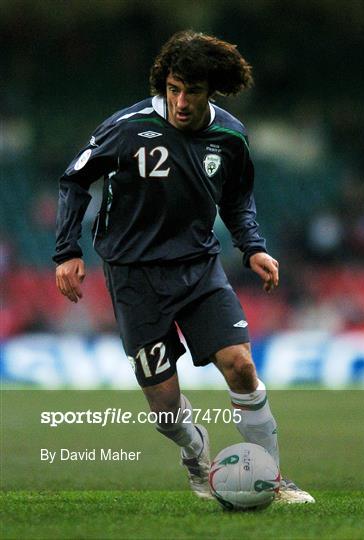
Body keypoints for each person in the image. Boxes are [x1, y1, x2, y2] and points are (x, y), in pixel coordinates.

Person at [54, 30, 314, 503]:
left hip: (199, 267)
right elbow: (74, 180)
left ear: (211, 89)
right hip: (133, 275)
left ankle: (274, 479)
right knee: (165, 409)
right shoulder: (127, 126)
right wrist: (67, 250)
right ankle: (195, 453)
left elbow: (237, 199)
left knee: (240, 365)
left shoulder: (231, 136)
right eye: (173, 89)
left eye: (191, 90)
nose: (180, 101)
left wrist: (252, 246)